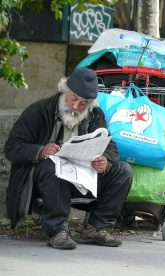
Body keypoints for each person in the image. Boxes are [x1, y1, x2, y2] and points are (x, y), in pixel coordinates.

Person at [4, 67, 132, 250]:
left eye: (83, 103)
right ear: (64, 90)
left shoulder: (95, 115)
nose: (75, 107)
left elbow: (110, 146)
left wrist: (105, 160)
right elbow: (12, 147)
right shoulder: (39, 111)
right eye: (73, 98)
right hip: (47, 180)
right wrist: (40, 151)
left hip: (83, 177)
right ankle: (57, 231)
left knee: (123, 171)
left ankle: (95, 228)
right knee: (54, 166)